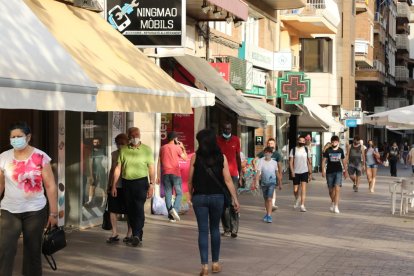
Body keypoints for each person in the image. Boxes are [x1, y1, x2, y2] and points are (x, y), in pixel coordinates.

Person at [0, 122, 58, 276]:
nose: (16, 139)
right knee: (5, 250)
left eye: (19, 136)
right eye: (13, 137)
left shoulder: (40, 157)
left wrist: (53, 213)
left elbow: (50, 186)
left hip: (35, 211)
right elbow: (0, 184)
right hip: (9, 211)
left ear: (29, 137)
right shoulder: (3, 157)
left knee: (33, 252)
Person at [188, 129, 240, 276]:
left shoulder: (195, 157)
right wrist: (235, 198)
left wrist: (190, 196)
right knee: (215, 229)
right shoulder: (221, 157)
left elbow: (190, 180)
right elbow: (228, 180)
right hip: (218, 198)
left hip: (200, 197)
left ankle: (204, 266)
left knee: (203, 231)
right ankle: (215, 264)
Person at [112, 127, 155, 247]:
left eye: (137, 134)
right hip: (127, 183)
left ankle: (136, 234)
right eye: (133, 135)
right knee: (130, 210)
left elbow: (151, 168)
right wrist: (114, 185)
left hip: (141, 183)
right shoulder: (124, 150)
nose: (135, 137)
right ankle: (137, 233)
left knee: (139, 208)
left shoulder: (147, 150)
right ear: (129, 136)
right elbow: (118, 168)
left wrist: (152, 184)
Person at [216, 122, 241, 238]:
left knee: (233, 202)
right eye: (225, 129)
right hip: (220, 176)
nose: (227, 131)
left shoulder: (236, 140)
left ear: (232, 129)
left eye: (229, 129)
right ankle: (226, 229)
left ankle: (234, 229)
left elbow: (238, 157)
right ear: (222, 129)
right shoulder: (217, 140)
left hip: (233, 175)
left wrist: (240, 174)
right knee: (223, 203)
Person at [106, 133, 132, 244]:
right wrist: (110, 185)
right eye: (118, 144)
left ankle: (129, 233)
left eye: (122, 143)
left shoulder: (131, 154)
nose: (120, 146)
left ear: (127, 143)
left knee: (129, 211)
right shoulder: (114, 154)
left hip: (127, 185)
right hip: (115, 185)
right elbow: (112, 171)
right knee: (112, 209)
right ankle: (114, 232)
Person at [157, 131, 187, 222]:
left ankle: (171, 215)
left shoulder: (162, 148)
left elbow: (159, 163)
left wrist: (158, 175)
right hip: (175, 173)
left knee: (168, 194)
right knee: (179, 193)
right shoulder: (177, 147)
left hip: (165, 173)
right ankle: (175, 210)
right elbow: (185, 158)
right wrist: (183, 147)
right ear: (175, 139)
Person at [253, 138, 282, 210]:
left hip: (273, 177)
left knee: (272, 189)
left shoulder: (277, 154)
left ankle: (272, 204)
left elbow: (279, 166)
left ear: (275, 144)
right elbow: (254, 160)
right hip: (264, 177)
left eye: (272, 143)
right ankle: (269, 205)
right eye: (269, 143)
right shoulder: (263, 153)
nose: (270, 145)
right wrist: (255, 168)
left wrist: (280, 176)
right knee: (266, 195)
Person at [256, 147, 282, 223]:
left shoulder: (274, 162)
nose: (267, 154)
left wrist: (280, 183)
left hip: (272, 183)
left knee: (269, 199)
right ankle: (267, 214)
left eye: (269, 152)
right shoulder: (261, 161)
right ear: (264, 153)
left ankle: (269, 216)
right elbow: (258, 173)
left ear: (271, 153)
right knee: (265, 199)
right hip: (264, 183)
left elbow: (277, 173)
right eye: (266, 152)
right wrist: (257, 182)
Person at [322, 135, 347, 214]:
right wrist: (323, 170)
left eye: (335, 141)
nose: (334, 143)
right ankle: (333, 202)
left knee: (337, 189)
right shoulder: (328, 150)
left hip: (338, 171)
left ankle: (336, 206)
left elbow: (343, 161)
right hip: (329, 172)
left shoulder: (340, 150)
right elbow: (323, 161)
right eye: (332, 142)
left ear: (338, 142)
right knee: (330, 190)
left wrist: (345, 171)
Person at [289, 135, 312, 212]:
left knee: (303, 189)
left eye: (303, 141)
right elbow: (291, 162)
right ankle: (297, 199)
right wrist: (292, 171)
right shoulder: (293, 150)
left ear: (305, 142)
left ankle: (302, 205)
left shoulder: (306, 149)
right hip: (296, 172)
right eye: (300, 141)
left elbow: (309, 161)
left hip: (304, 171)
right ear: (298, 141)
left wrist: (310, 173)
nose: (302, 142)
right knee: (295, 190)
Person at [85, 137, 107, 207]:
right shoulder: (92, 152)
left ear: (100, 143)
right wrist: (91, 175)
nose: (96, 144)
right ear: (93, 143)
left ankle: (104, 202)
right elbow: (90, 163)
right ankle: (90, 200)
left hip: (103, 172)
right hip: (94, 173)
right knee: (92, 186)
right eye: (94, 142)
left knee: (103, 187)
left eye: (97, 142)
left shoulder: (104, 151)